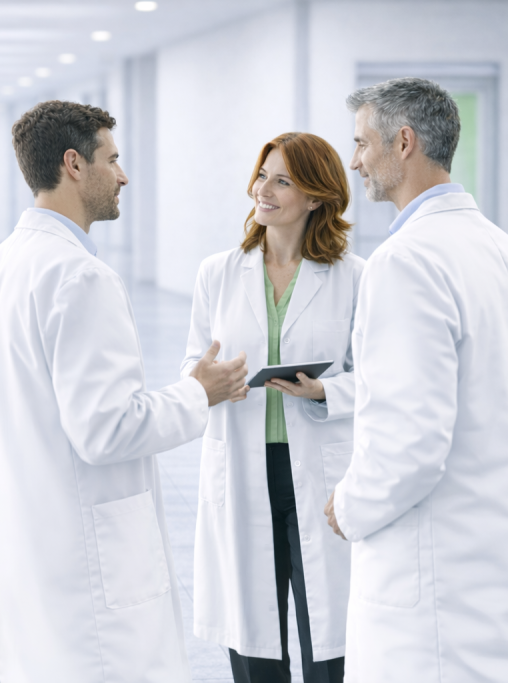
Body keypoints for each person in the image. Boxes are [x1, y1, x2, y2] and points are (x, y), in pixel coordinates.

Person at [0, 100, 249, 683]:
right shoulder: (79, 276)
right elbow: (107, 429)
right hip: (80, 580)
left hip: (16, 560)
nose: (122, 175)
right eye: (112, 159)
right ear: (73, 164)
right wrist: (199, 393)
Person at [325, 78, 508, 682]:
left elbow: (408, 446)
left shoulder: (406, 262)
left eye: (361, 143)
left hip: (443, 602)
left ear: (403, 142)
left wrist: (347, 505)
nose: (354, 160)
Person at [181, 133, 363, 683]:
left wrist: (327, 391)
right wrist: (209, 383)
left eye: (282, 180)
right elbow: (193, 363)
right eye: (263, 175)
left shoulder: (355, 276)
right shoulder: (218, 272)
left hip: (321, 471)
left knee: (329, 633)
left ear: (315, 197)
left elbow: (378, 375)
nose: (263, 189)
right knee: (254, 633)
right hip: (243, 463)